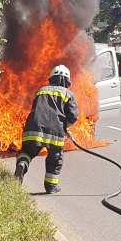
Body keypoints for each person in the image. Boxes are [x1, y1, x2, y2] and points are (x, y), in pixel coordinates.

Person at [14, 65, 79, 194]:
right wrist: (66, 125)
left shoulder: (41, 90)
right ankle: (51, 187)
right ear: (67, 80)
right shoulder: (68, 94)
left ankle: (22, 164)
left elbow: (37, 109)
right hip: (55, 132)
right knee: (55, 159)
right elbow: (73, 116)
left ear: (51, 78)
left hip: (33, 128)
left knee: (27, 152)